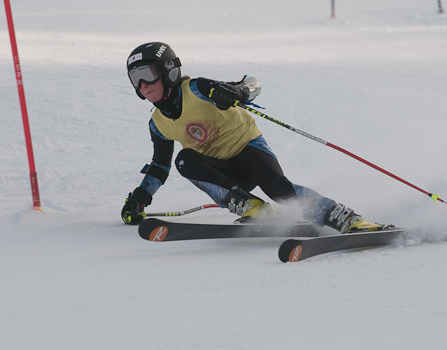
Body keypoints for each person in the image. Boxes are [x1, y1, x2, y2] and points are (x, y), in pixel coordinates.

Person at [121, 42, 387, 233]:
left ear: (168, 70)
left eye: (148, 74)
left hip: (248, 151)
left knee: (278, 188)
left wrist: (237, 92)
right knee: (184, 160)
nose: (143, 85)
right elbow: (160, 167)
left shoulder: (197, 89)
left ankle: (346, 218)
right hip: (225, 176)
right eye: (136, 78)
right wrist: (140, 197)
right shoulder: (158, 124)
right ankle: (250, 206)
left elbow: (253, 83)